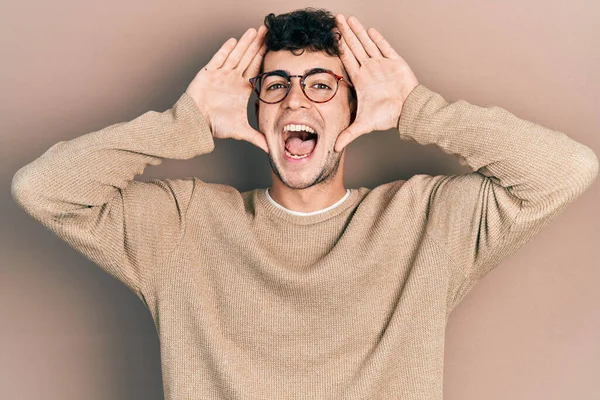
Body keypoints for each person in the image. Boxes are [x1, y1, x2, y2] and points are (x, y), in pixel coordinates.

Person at [10, 8, 598, 400]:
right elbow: (43, 190)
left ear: (353, 109)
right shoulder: (181, 227)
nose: (296, 100)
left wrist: (416, 108)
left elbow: (566, 170)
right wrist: (180, 125)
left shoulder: (425, 222)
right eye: (276, 85)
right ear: (257, 110)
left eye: (321, 84)